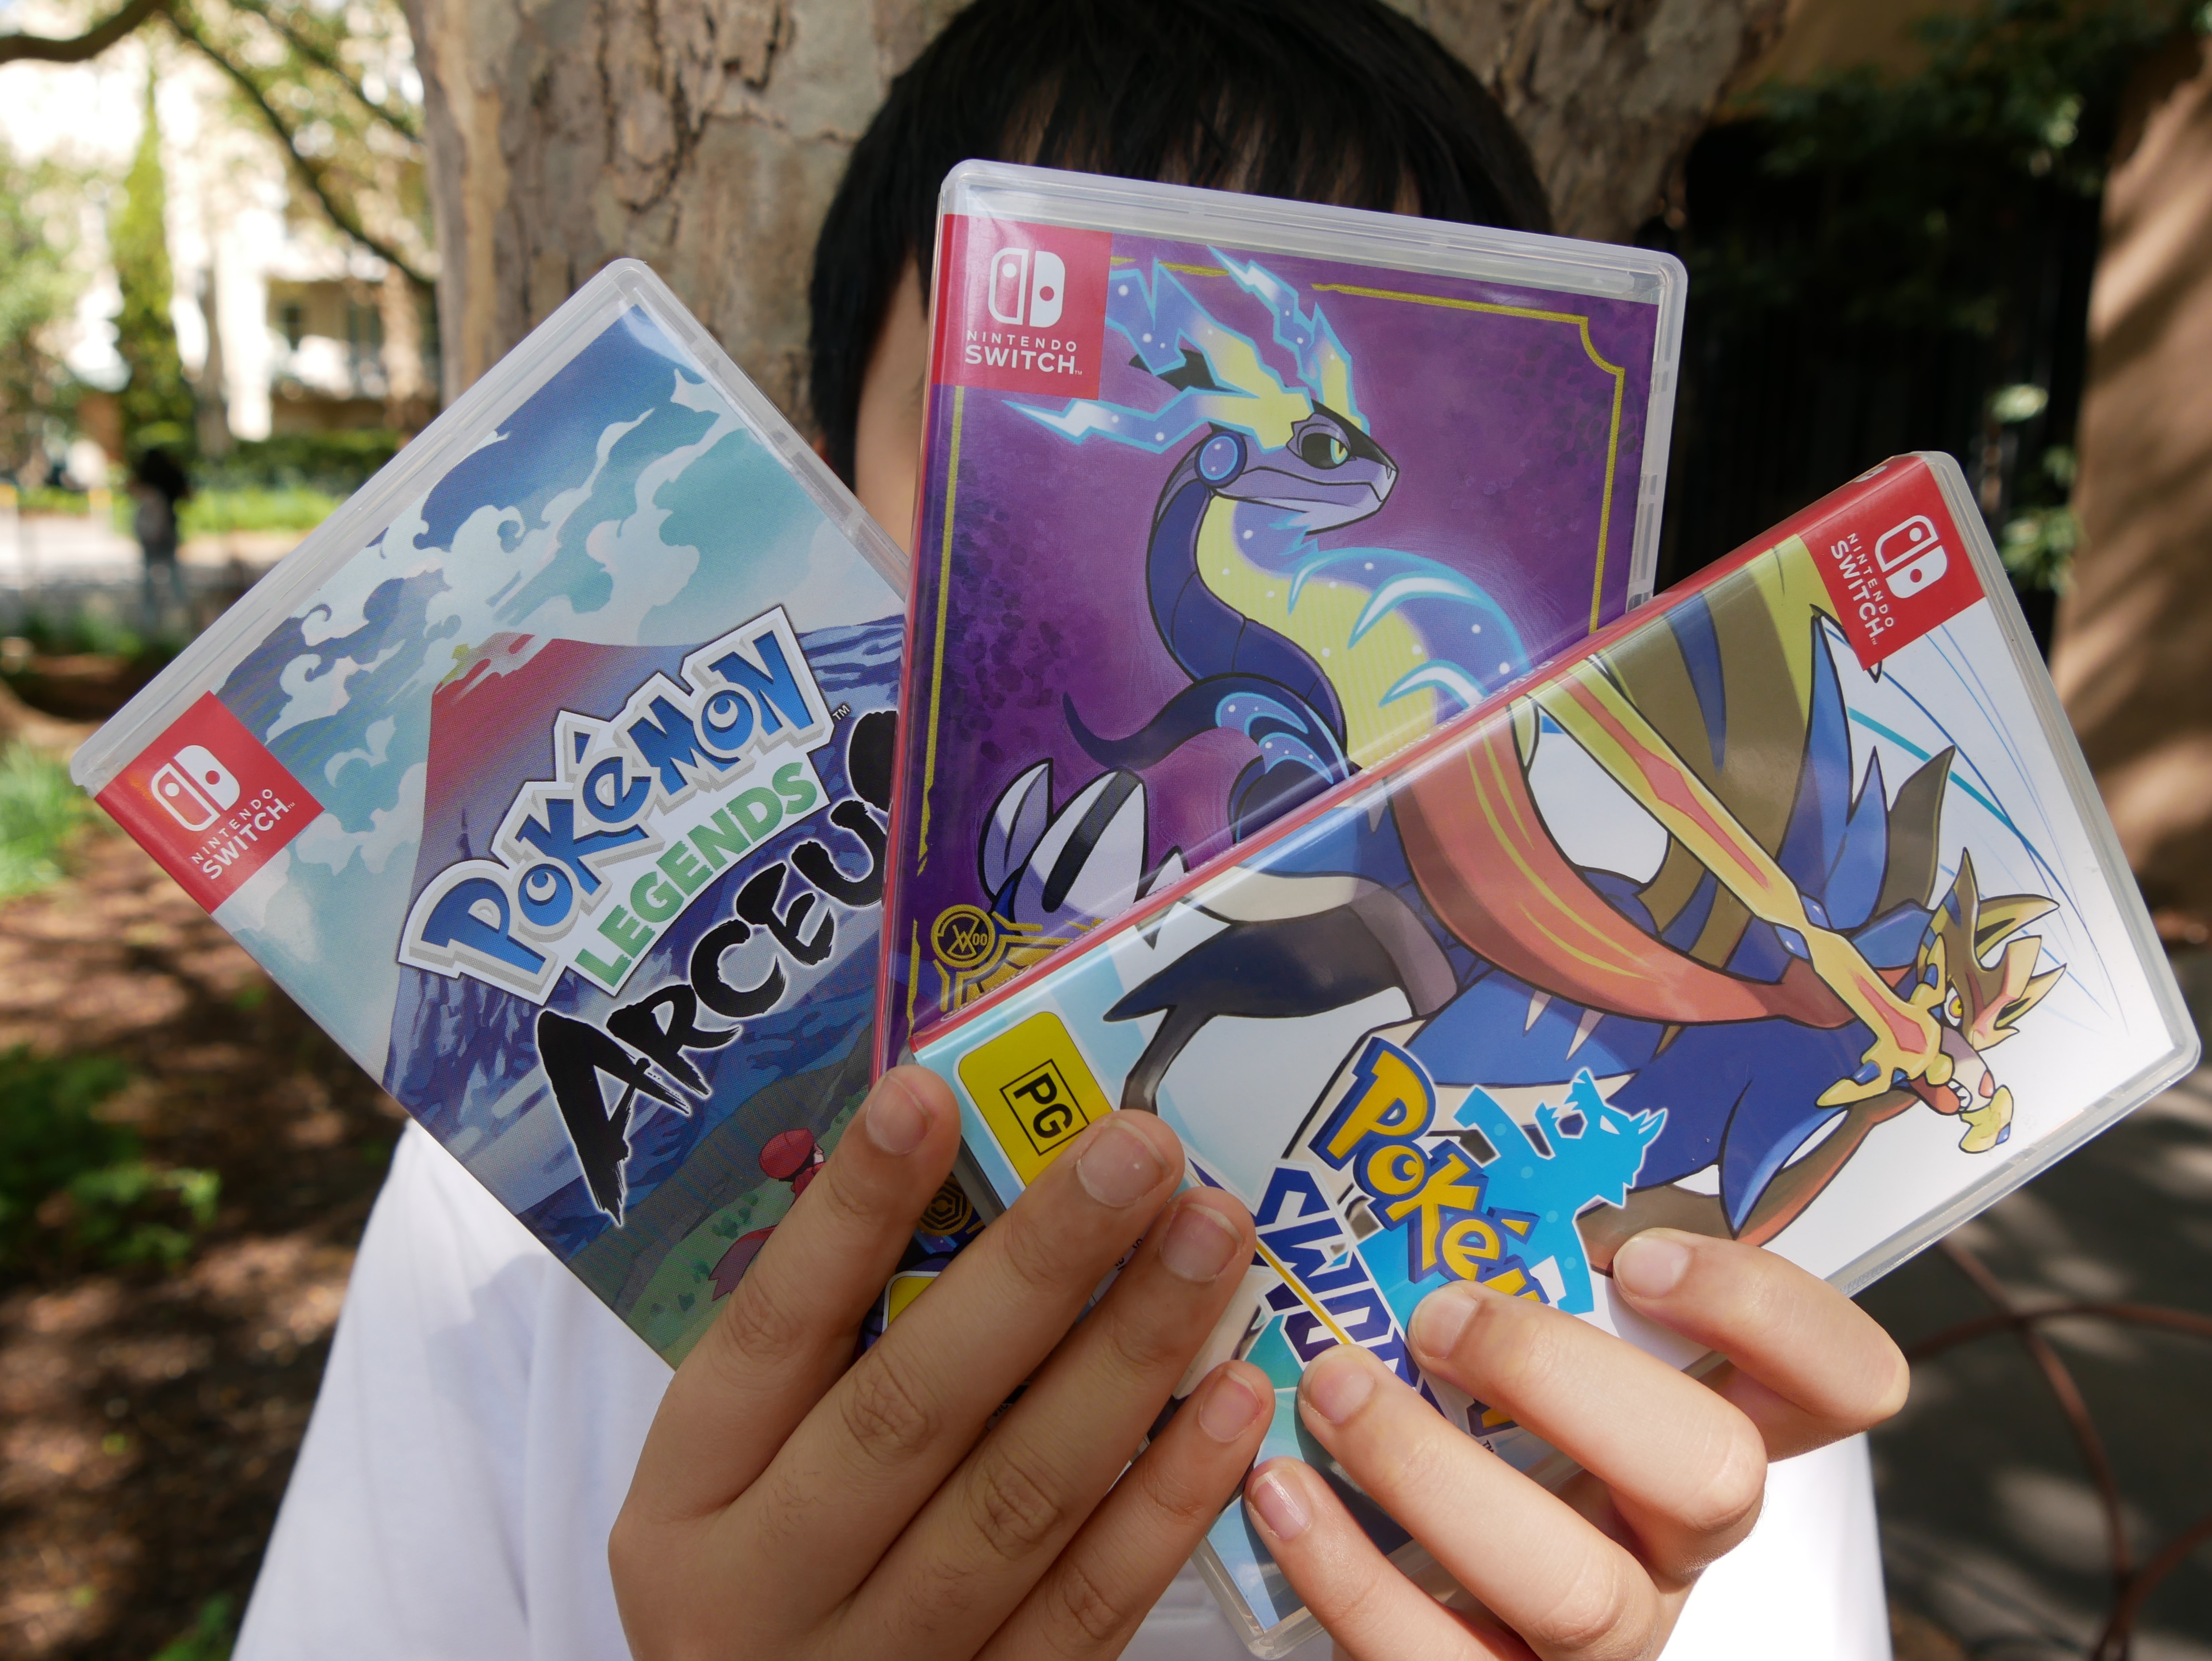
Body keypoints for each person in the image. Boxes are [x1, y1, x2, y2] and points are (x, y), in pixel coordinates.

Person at [235, 3, 1906, 1657]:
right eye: (1018, 462)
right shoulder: (514, 1213)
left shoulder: (1664, 1269)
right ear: (820, 496)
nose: (1113, 594)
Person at [127, 445, 191, 632]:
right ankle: (183, 614)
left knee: (149, 573)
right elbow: (187, 495)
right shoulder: (171, 474)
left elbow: (131, 490)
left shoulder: (145, 478)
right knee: (173, 571)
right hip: (168, 528)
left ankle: (151, 618)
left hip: (149, 531)